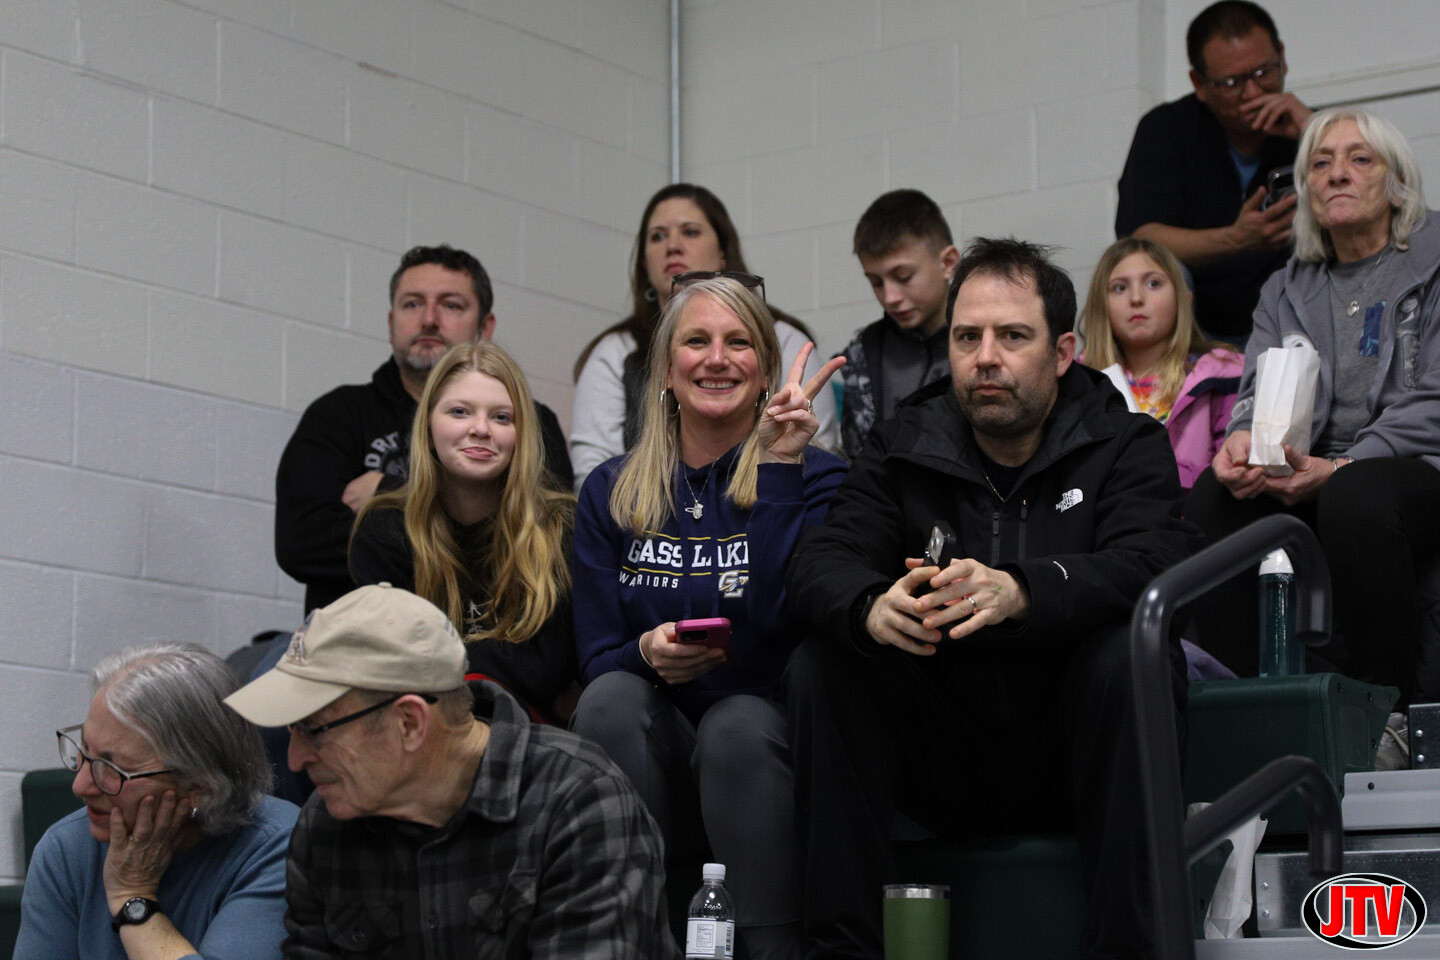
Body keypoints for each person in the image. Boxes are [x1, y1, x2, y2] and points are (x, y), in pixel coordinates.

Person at [783, 238, 1198, 959]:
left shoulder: (1125, 442)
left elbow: (1155, 566)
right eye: (967, 337)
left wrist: (1025, 591)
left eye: (1012, 337)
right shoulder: (901, 444)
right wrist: (872, 606)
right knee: (823, 661)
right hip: (943, 754)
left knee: (1130, 652)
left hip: (1075, 748)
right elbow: (822, 559)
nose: (984, 358)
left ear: (1063, 351)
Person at [570, 274, 847, 960]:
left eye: (738, 342)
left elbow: (782, 613)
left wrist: (778, 465)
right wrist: (646, 653)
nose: (717, 359)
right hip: (653, 733)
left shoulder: (819, 478)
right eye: (696, 341)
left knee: (735, 724)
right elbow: (596, 659)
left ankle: (772, 948)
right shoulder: (610, 490)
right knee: (609, 699)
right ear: (667, 370)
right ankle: (629, 939)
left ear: (765, 371)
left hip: (766, 736)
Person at [223, 584, 674, 959]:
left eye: (313, 730)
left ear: (409, 723)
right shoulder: (326, 824)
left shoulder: (578, 804)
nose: (295, 759)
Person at [1186, 108, 1440, 703]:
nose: (1337, 174)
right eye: (1320, 164)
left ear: (1397, 182)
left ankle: (1384, 710)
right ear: (1306, 191)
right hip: (1313, 466)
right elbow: (1257, 384)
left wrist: (1344, 466)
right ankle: (1248, 707)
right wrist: (1246, 438)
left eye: (1359, 159)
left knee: (1355, 495)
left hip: (1419, 465)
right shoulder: (1285, 287)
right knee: (1211, 500)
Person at [275, 244, 573, 613]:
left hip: (496, 633)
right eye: (413, 304)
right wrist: (441, 521)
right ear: (391, 323)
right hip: (355, 631)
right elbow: (300, 545)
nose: (429, 319)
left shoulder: (529, 420)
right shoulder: (338, 414)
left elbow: (543, 537)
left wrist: (387, 492)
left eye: (451, 305)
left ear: (485, 327)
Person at [16, 644, 296, 960]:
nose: (80, 786)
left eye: (111, 768)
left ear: (200, 785)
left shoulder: (280, 848)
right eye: (84, 752)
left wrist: (132, 896)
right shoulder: (67, 851)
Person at [349, 341, 577, 723]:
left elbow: (544, 670)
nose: (481, 429)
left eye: (502, 417)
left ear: (521, 433)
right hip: (418, 728)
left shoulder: (560, 528)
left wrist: (442, 656)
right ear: (428, 426)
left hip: (528, 733)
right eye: (459, 411)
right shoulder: (385, 528)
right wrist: (499, 658)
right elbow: (396, 664)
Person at [569, 183, 839, 490]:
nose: (672, 246)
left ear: (723, 252)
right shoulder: (615, 350)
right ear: (644, 262)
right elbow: (592, 476)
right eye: (657, 236)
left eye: (690, 232)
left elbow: (813, 448)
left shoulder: (784, 338)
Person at [1115, 1, 1311, 340]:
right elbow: (1141, 237)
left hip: (1290, 318)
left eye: (1264, 72)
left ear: (1282, 57)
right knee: (1154, 269)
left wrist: (1314, 131)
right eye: (1232, 82)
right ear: (1200, 84)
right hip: (1195, 327)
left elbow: (1383, 201)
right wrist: (1237, 239)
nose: (1253, 92)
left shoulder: (1309, 130)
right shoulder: (1167, 129)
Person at [1079, 236, 1243, 489]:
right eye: (1120, 288)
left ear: (1183, 299)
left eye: (1153, 283)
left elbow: (1232, 474)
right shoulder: (1076, 384)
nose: (1136, 298)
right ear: (1101, 306)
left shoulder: (1224, 375)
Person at [838, 189, 960, 457]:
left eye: (903, 277)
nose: (890, 297)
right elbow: (858, 460)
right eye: (876, 283)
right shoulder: (864, 351)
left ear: (948, 263)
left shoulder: (987, 341)